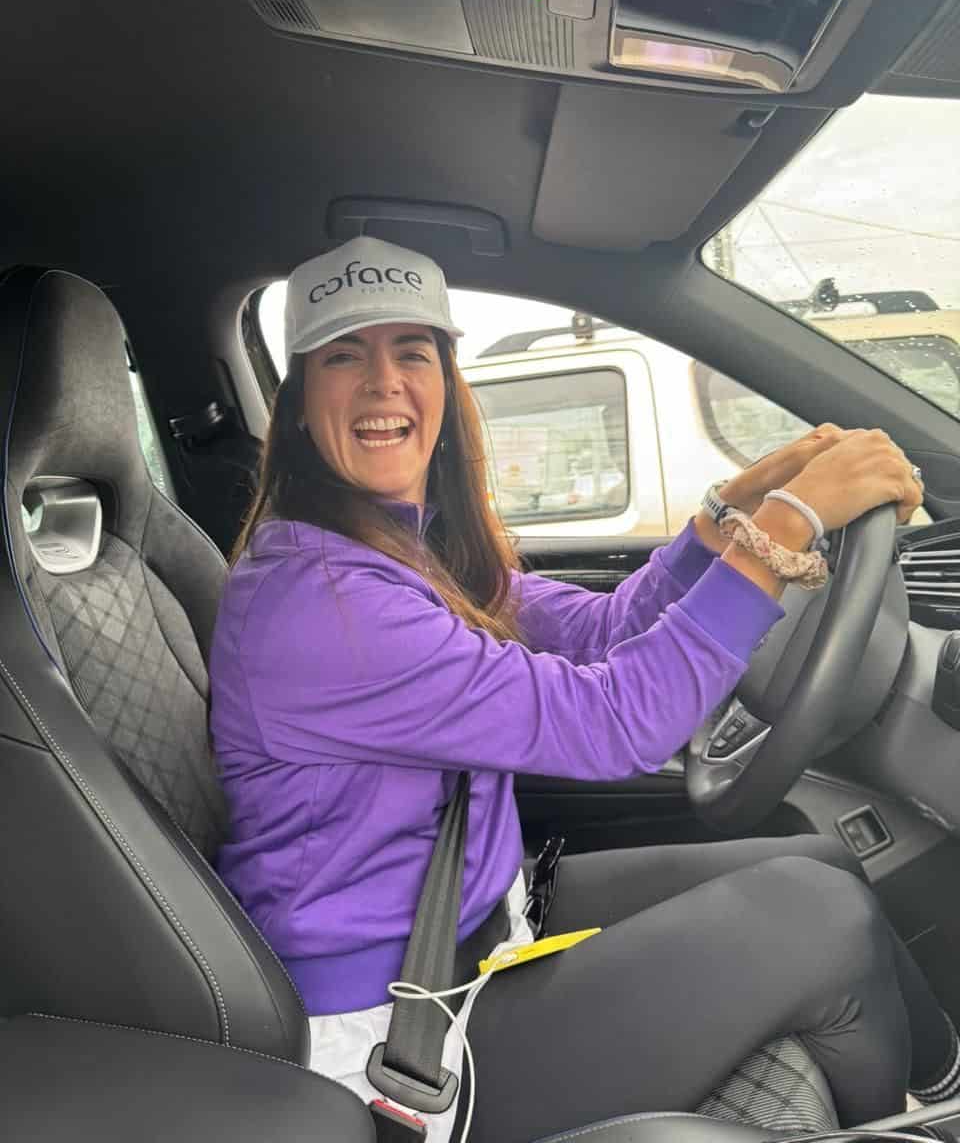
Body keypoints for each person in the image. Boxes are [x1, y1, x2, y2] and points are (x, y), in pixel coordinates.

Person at [210, 236, 956, 1143]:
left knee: (823, 862)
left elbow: (603, 631)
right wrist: (785, 529)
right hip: (397, 1027)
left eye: (413, 352)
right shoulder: (322, 605)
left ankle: (938, 1094)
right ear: (298, 405)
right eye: (343, 357)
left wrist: (728, 518)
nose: (384, 383)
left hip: (477, 920)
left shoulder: (405, 551)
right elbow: (614, 724)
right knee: (823, 916)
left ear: (445, 383)